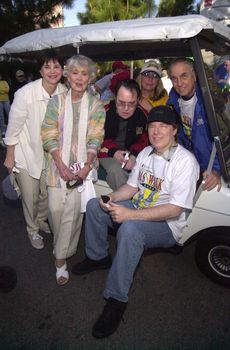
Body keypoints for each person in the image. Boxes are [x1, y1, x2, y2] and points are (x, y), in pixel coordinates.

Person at [71, 105, 200, 339]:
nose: (156, 132)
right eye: (152, 126)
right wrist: (111, 198)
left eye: (163, 127)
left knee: (130, 230)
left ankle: (116, 299)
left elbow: (176, 208)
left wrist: (129, 215)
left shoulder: (185, 162)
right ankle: (98, 257)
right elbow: (132, 187)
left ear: (174, 130)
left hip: (167, 224)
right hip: (141, 207)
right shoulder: (145, 153)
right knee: (94, 205)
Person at [41, 55, 105, 286]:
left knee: (72, 215)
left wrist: (87, 166)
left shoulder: (96, 105)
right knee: (55, 210)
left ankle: (60, 261)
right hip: (56, 166)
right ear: (67, 75)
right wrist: (59, 163)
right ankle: (62, 246)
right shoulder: (56, 102)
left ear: (90, 78)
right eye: (75, 72)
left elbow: (96, 136)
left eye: (84, 73)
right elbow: (48, 133)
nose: (79, 78)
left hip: (82, 170)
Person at [3, 49, 66, 250]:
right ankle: (32, 230)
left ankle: (39, 220)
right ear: (40, 70)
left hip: (50, 154)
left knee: (47, 195)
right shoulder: (25, 93)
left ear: (62, 69)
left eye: (56, 66)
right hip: (25, 153)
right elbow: (13, 128)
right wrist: (10, 156)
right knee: (29, 197)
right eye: (47, 66)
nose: (52, 71)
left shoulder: (64, 91)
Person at [167, 57, 221, 191]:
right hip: (192, 165)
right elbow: (182, 136)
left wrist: (216, 170)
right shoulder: (174, 101)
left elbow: (223, 139)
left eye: (184, 76)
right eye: (174, 78)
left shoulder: (209, 102)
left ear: (195, 76)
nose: (179, 83)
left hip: (211, 169)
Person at [98, 79, 148, 190]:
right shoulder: (102, 111)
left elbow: (144, 140)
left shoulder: (142, 115)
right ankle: (127, 204)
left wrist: (134, 155)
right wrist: (113, 152)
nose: (126, 109)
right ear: (115, 98)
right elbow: (93, 139)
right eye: (121, 103)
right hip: (106, 152)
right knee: (116, 171)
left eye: (131, 104)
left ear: (138, 100)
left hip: (132, 154)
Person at [0, 73, 10, 138]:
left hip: (6, 100)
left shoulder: (4, 82)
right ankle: (3, 130)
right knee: (1, 116)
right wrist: (4, 90)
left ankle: (11, 129)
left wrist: (1, 91)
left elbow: (7, 89)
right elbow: (5, 90)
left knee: (10, 114)